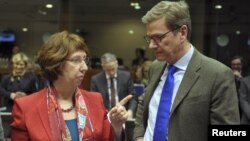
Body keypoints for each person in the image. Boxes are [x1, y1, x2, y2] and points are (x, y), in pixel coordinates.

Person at [133, 1, 240, 141]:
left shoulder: (218, 75)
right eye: (149, 38)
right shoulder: (155, 67)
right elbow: (144, 105)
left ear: (182, 33)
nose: (152, 46)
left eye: (158, 37)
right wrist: (139, 136)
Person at [11, 31, 132, 141]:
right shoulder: (26, 108)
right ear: (56, 64)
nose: (84, 67)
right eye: (76, 60)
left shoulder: (95, 100)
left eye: (85, 59)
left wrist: (116, 127)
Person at [90, 53, 136, 119]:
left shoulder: (126, 76)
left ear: (117, 64)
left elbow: (133, 97)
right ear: (103, 67)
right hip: (104, 117)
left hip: (123, 114)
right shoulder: (96, 80)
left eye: (113, 69)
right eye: (108, 70)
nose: (111, 72)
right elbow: (93, 102)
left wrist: (130, 111)